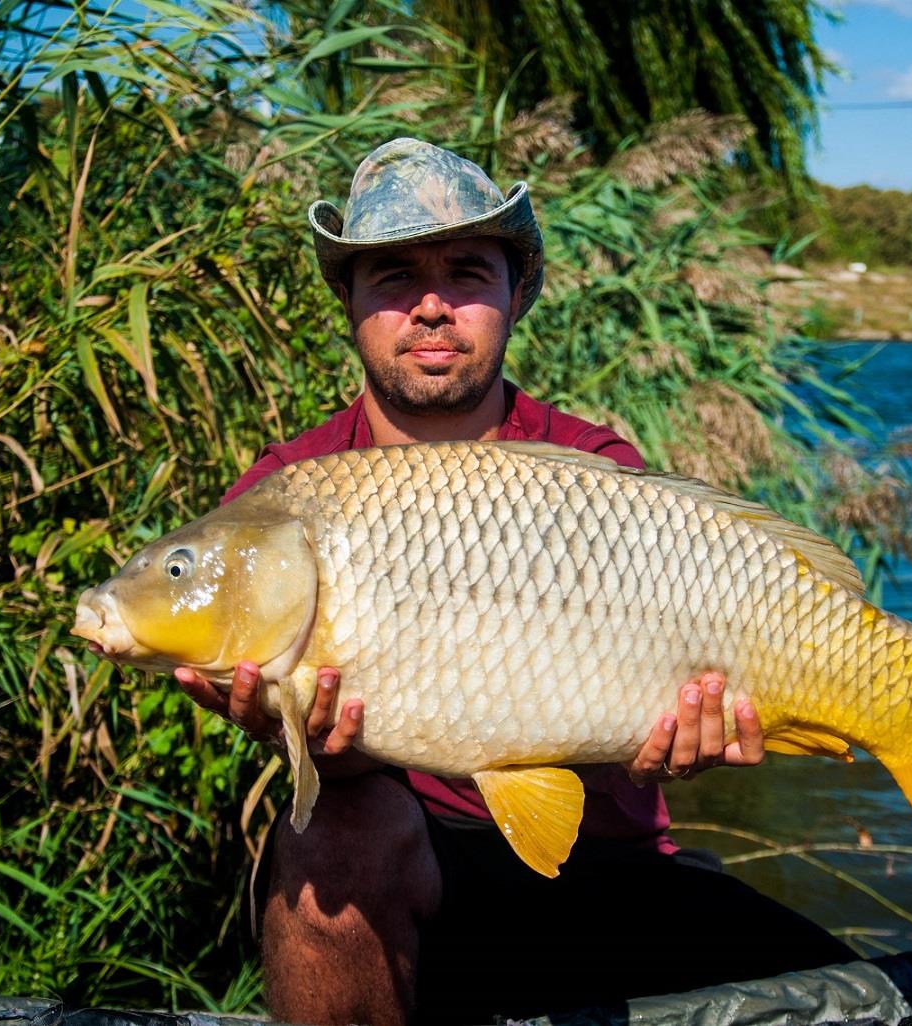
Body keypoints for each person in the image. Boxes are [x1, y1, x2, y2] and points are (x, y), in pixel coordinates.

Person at [175, 138, 855, 1026]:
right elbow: (301, 738)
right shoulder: (284, 494)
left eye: (464, 272)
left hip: (602, 860)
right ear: (346, 300)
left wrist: (680, 739)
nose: (429, 306)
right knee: (335, 837)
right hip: (402, 866)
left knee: (833, 981)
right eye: (390, 277)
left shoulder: (590, 467)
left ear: (515, 294)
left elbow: (649, 712)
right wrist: (309, 752)